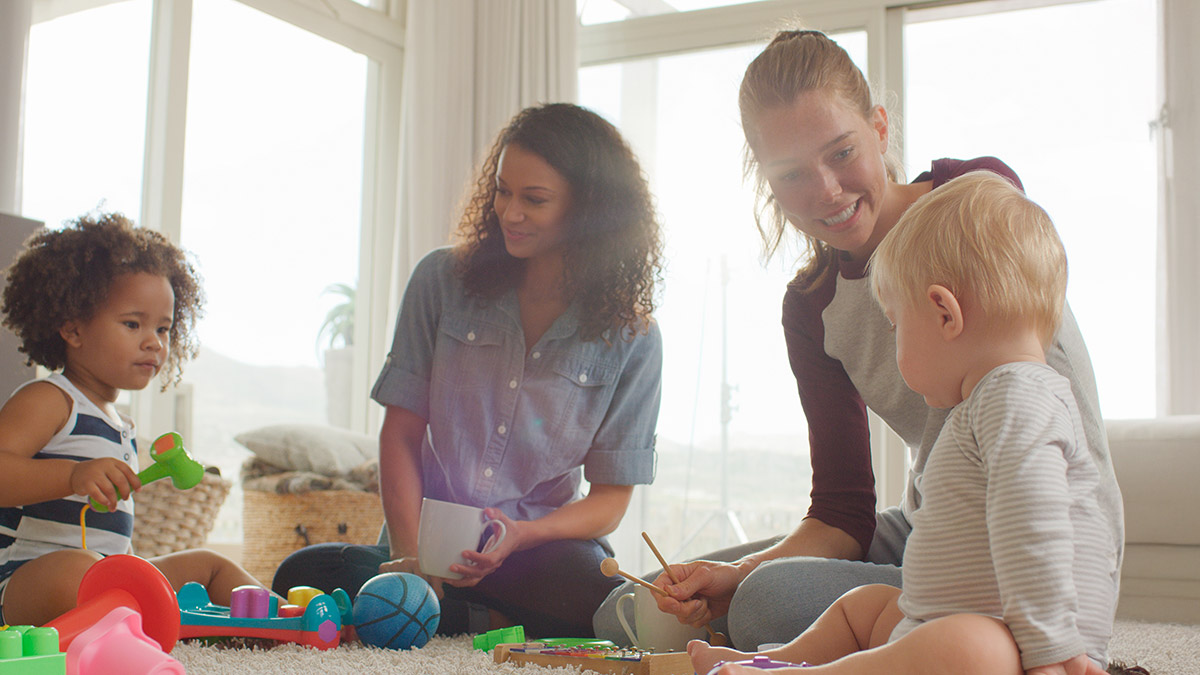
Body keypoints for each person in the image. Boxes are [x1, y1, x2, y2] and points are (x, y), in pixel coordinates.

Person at [594, 29, 1121, 651]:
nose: (827, 191)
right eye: (792, 175)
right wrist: (734, 575)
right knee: (630, 606)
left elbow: (1025, 439)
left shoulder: (972, 202)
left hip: (1037, 528)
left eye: (842, 153)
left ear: (880, 128)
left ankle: (912, 624)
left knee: (766, 603)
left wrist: (752, 586)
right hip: (937, 519)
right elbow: (842, 514)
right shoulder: (813, 308)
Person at [690, 171, 1119, 675]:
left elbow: (1035, 525)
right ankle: (768, 660)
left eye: (896, 326)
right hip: (957, 618)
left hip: (1022, 648)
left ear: (944, 313)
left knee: (970, 646)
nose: (894, 348)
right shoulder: (997, 398)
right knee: (863, 606)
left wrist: (1050, 646)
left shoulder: (1014, 395)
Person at [271, 102, 664, 638]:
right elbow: (402, 433)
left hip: (538, 551)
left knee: (601, 597)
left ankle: (453, 616)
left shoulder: (632, 338)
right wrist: (409, 558)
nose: (510, 212)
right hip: (427, 542)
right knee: (301, 574)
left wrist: (522, 535)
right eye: (503, 190)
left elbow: (610, 500)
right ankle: (481, 616)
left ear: (588, 212)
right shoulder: (440, 280)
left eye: (535, 199)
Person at [0, 211, 271, 626]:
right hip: (25, 582)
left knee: (209, 564)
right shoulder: (49, 399)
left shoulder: (118, 422)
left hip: (111, 573)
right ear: (72, 331)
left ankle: (281, 617)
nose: (154, 343)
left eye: (163, 329)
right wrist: (73, 475)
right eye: (133, 324)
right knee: (84, 570)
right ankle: (148, 615)